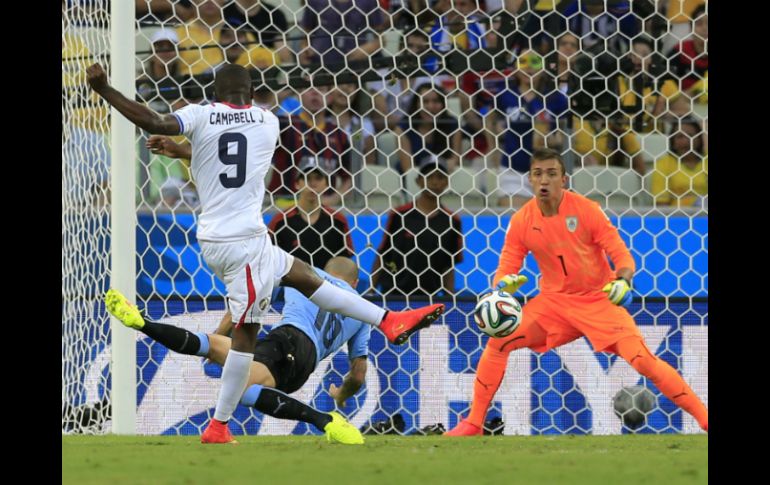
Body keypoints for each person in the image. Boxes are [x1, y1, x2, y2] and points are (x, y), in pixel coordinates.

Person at [86, 62, 445, 444]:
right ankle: (219, 426)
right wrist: (183, 151)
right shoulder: (267, 120)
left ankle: (388, 320)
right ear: (252, 92)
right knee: (246, 334)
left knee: (303, 274)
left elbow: (160, 125)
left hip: (235, 239)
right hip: (239, 243)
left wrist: (106, 89)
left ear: (215, 92)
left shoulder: (201, 115)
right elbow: (235, 157)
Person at [445, 148, 708, 436]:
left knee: (643, 360)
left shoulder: (586, 210)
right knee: (499, 342)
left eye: (551, 174)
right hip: (553, 305)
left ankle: (705, 420)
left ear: (564, 180)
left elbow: (621, 254)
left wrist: (624, 280)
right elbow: (507, 263)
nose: (544, 180)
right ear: (530, 180)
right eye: (537, 174)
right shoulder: (521, 220)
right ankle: (473, 423)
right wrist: (504, 285)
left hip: (599, 301)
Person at [105, 257, 369, 444]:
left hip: (287, 339)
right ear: (355, 282)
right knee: (218, 354)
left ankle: (324, 420)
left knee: (236, 383)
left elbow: (247, 303)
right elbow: (358, 374)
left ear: (325, 270)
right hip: (303, 361)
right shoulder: (360, 308)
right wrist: (342, 394)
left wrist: (224, 331)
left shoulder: (306, 275)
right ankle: (143, 323)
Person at [371, 158, 463, 300]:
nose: (434, 182)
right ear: (418, 181)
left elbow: (448, 265)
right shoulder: (399, 215)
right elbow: (383, 254)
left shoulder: (452, 221)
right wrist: (371, 291)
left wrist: (451, 300)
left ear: (447, 182)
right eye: (429, 176)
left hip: (428, 298)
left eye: (440, 177)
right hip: (393, 295)